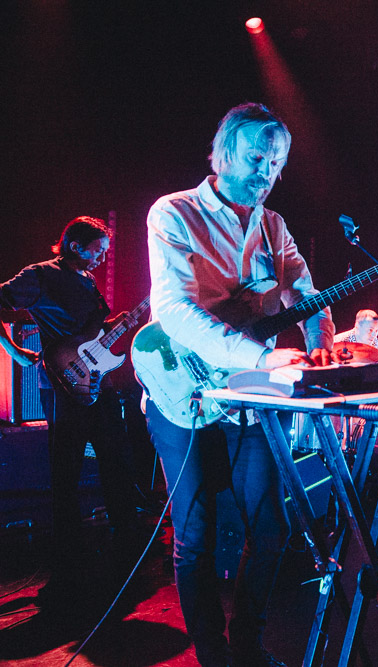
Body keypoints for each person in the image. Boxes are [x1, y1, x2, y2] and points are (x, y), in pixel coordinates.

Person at [145, 103, 335, 667]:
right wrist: (262, 354)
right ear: (221, 153)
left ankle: (247, 646)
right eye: (256, 158)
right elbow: (173, 309)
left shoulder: (273, 225)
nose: (266, 172)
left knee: (272, 527)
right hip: (186, 389)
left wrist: (319, 332)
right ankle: (212, 655)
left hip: (250, 394)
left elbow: (303, 290)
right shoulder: (173, 213)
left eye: (275, 162)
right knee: (196, 533)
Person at [0, 216, 139, 598]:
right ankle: (67, 561)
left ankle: (126, 546)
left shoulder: (88, 281)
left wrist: (119, 323)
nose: (102, 259)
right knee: (67, 470)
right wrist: (14, 350)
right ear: (76, 245)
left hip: (98, 380)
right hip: (63, 382)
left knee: (116, 458)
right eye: (98, 251)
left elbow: (91, 330)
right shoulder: (40, 274)